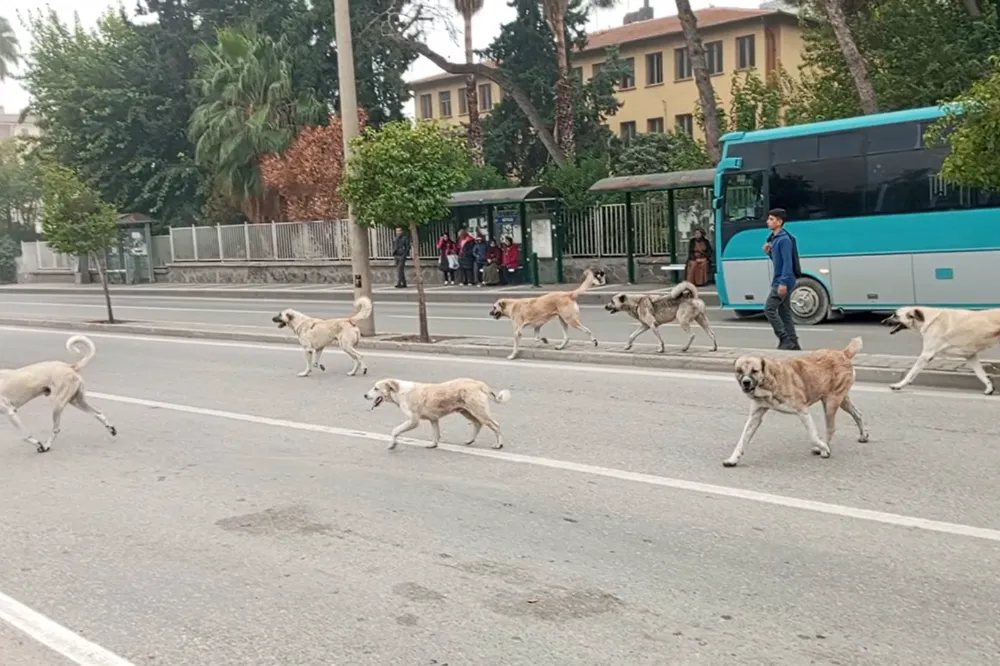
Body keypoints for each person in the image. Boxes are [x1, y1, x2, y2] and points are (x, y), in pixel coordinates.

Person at [762, 208, 800, 350]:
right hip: (782, 279)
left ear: (780, 221)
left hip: (783, 280)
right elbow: (778, 261)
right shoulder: (775, 239)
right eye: (769, 219)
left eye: (772, 219)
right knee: (785, 313)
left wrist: (783, 282)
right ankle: (793, 342)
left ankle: (784, 338)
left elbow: (787, 263)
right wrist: (769, 253)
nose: (768, 221)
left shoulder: (784, 239)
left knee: (769, 309)